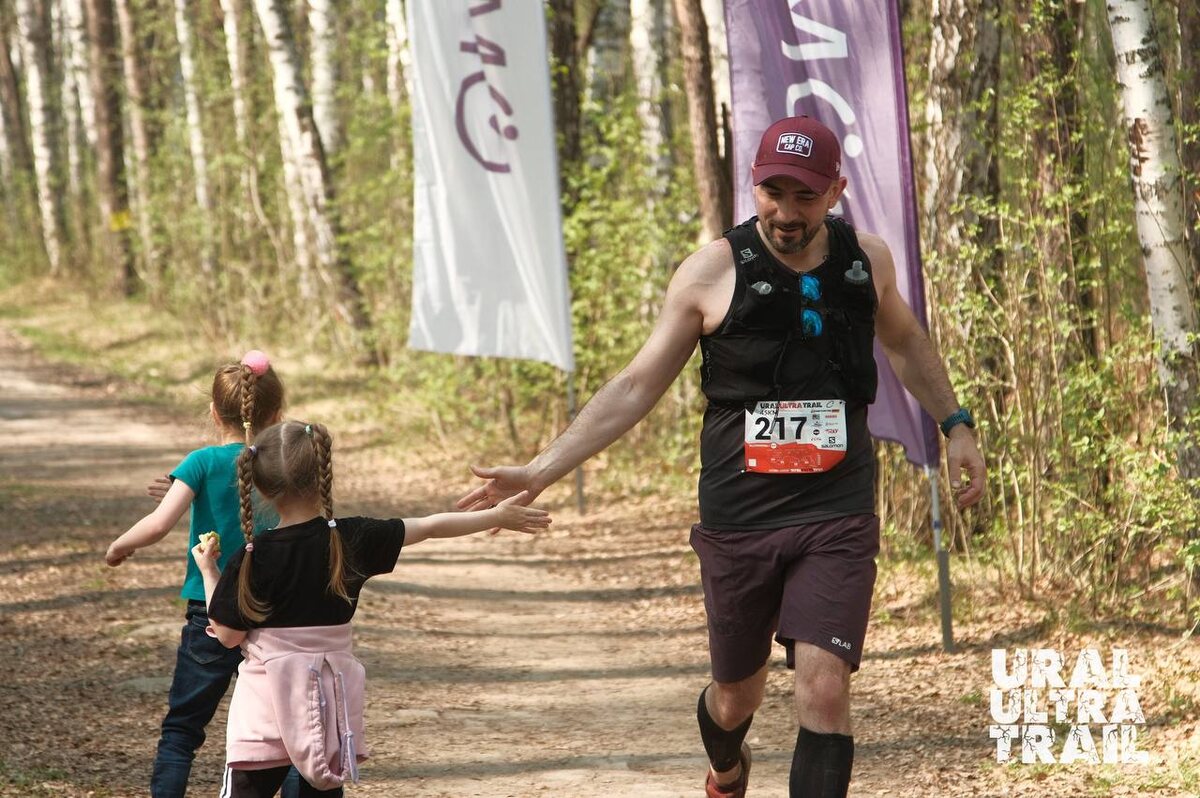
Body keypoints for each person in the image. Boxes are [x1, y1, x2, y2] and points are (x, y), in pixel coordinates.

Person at [458, 115, 987, 798]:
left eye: (804, 197)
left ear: (836, 190)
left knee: (824, 689)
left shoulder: (867, 262)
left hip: (838, 504)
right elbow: (635, 385)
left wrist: (957, 424)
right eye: (773, 193)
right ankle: (727, 768)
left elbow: (908, 342)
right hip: (742, 511)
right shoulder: (712, 271)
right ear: (754, 184)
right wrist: (539, 469)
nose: (786, 213)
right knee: (736, 695)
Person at [191, 419, 551, 797]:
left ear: (260, 485)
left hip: (265, 715)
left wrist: (209, 570)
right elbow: (428, 526)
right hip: (326, 709)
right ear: (322, 475)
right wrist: (495, 516)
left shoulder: (251, 555)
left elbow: (228, 635)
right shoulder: (350, 539)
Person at [106, 351, 293, 797]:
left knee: (182, 732)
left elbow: (157, 524)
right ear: (277, 413)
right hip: (277, 613)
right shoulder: (285, 460)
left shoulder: (201, 462)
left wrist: (120, 546)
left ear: (213, 412)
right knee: (287, 733)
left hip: (209, 614)